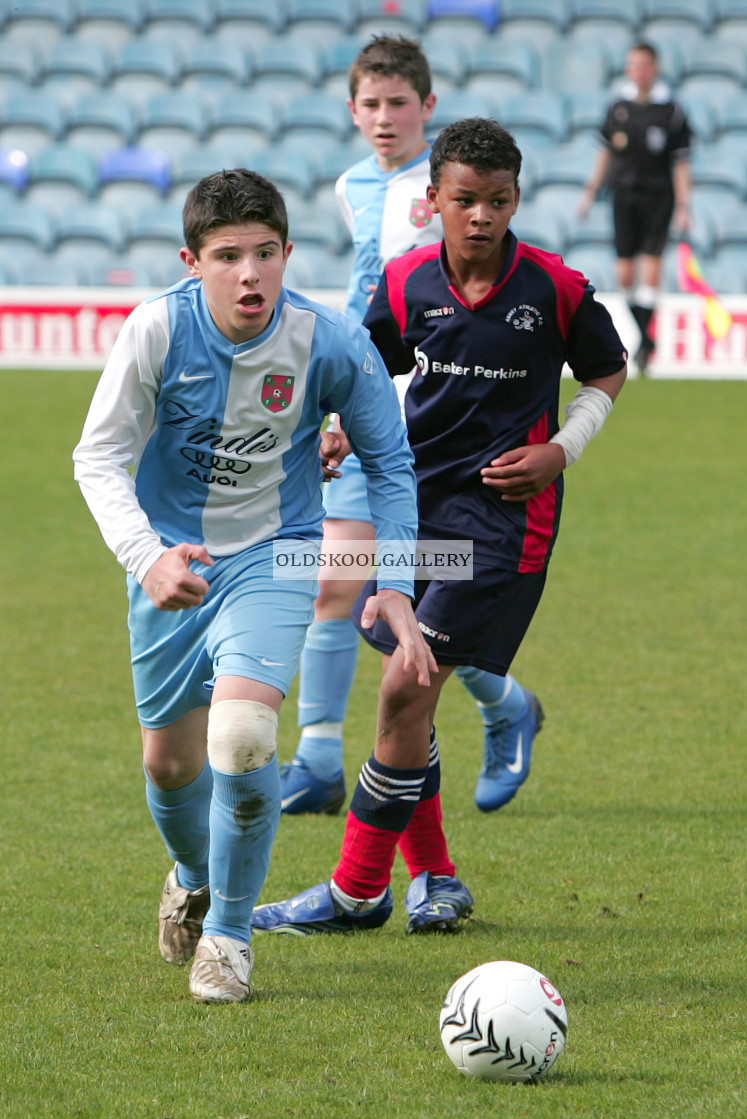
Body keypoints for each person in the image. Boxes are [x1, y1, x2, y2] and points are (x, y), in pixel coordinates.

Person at [251, 118, 627, 938]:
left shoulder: (556, 289)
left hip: (501, 526)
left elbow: (606, 369)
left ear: (515, 199)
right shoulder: (406, 280)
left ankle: (355, 891)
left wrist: (560, 450)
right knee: (408, 703)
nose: (481, 216)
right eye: (464, 200)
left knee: (401, 688)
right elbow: (366, 363)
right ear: (435, 201)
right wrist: (342, 423)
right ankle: (434, 876)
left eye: (497, 201)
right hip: (413, 511)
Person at [72, 168, 435, 1004]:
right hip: (174, 567)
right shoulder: (155, 330)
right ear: (190, 262)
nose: (249, 274)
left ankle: (229, 937)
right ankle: (195, 875)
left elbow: (389, 460)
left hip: (280, 554)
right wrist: (146, 557)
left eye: (265, 254)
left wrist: (395, 584)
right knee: (168, 767)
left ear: (287, 253)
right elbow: (98, 456)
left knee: (239, 738)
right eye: (227, 256)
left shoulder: (331, 339)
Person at [283, 34, 543, 821]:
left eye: (400, 103)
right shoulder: (351, 185)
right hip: (368, 408)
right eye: (371, 103)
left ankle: (503, 701)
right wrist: (334, 406)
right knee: (339, 587)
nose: (385, 117)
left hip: (436, 430)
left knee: (421, 597)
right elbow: (371, 305)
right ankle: (318, 759)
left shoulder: (451, 190)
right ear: (352, 110)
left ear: (427, 109)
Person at [577, 40, 692, 374]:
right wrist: (589, 191)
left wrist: (684, 205)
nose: (638, 71)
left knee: (651, 269)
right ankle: (646, 338)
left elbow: (681, 164)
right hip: (623, 196)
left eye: (643, 65)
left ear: (654, 68)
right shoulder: (617, 107)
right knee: (624, 273)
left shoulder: (672, 110)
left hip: (659, 197)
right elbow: (604, 153)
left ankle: (644, 343)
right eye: (632, 65)